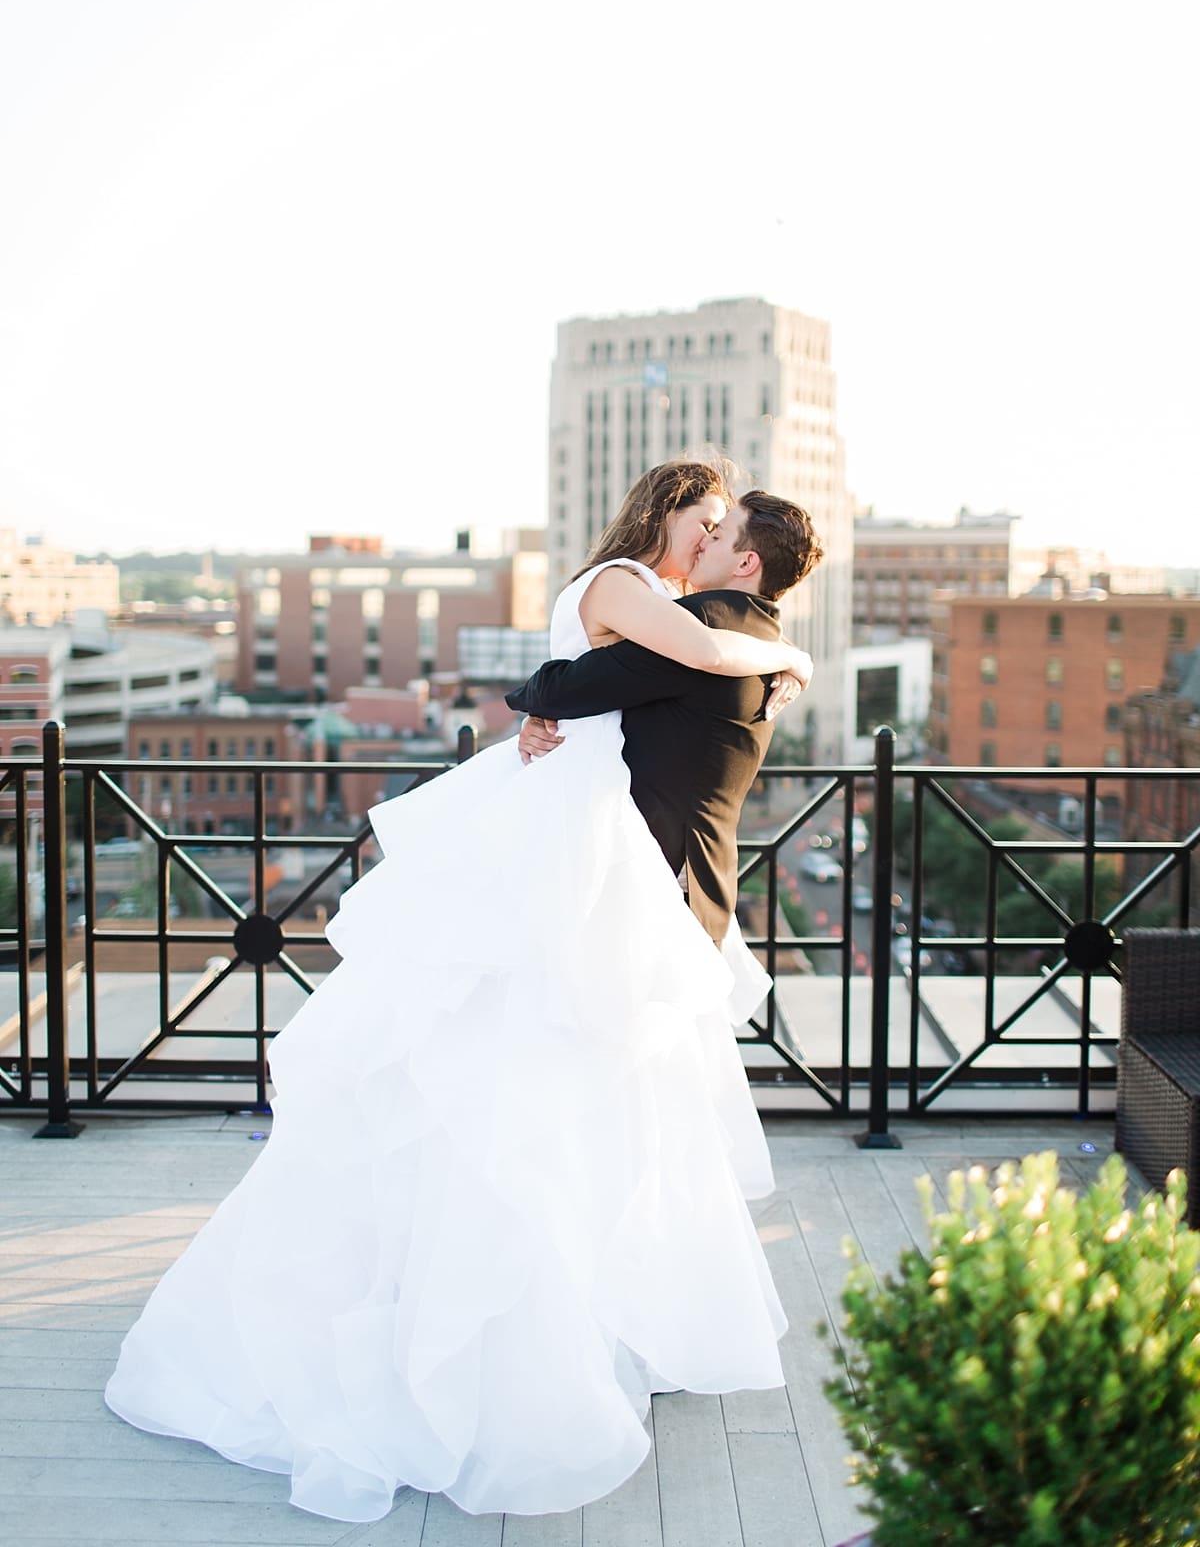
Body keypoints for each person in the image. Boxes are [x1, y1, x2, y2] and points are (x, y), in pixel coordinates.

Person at [104, 460, 817, 1526]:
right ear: (663, 515)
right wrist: (780, 653)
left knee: (563, 1111)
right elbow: (579, 683)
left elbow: (583, 693)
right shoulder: (642, 591)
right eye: (699, 513)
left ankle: (577, 1316)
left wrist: (553, 708)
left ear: (743, 555)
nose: (710, 528)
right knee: (508, 1094)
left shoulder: (686, 615)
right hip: (571, 869)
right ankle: (499, 1331)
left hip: (605, 870)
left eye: (723, 523)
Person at [507, 488, 825, 950]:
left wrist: (530, 702)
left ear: (745, 563)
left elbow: (564, 687)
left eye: (718, 535)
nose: (705, 542)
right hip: (706, 884)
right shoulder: (769, 637)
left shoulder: (702, 621)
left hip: (653, 886)